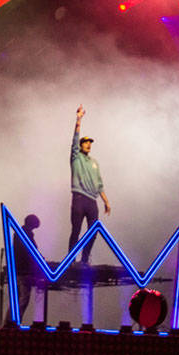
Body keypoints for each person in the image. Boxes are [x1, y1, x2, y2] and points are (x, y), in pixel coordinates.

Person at [70, 106, 110, 264]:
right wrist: (78, 119)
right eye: (85, 142)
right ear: (80, 145)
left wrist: (106, 201)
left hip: (92, 201)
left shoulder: (94, 162)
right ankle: (71, 259)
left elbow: (100, 184)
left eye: (90, 143)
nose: (88, 145)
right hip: (79, 198)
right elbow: (74, 138)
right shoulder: (76, 156)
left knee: (93, 232)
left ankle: (84, 259)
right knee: (76, 230)